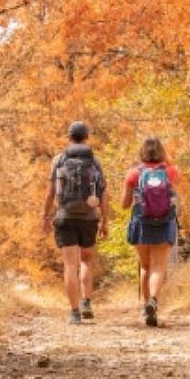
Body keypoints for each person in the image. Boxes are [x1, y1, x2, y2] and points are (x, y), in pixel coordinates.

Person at [42, 121, 109, 324]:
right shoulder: (94, 161)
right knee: (86, 260)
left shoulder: (59, 160)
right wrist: (104, 219)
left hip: (65, 217)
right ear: (87, 137)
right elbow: (103, 193)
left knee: (70, 265)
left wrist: (45, 215)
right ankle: (86, 302)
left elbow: (51, 191)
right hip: (89, 217)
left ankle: (74, 312)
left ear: (69, 137)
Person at [122, 136, 179, 327]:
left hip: (141, 222)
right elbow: (173, 197)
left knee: (145, 266)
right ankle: (154, 300)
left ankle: (146, 306)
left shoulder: (134, 173)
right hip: (164, 222)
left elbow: (124, 204)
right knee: (158, 267)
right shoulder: (170, 171)